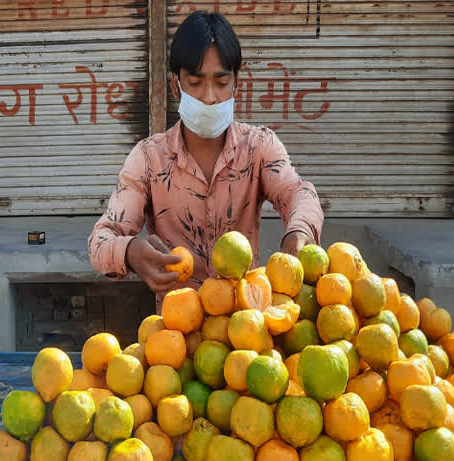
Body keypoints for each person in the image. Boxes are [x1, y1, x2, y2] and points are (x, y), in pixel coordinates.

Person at [88, 11, 324, 310]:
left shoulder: (259, 146)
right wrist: (130, 251)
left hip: (247, 329)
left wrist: (299, 230)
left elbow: (298, 192)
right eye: (196, 83)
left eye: (221, 81)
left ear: (237, 83)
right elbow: (101, 240)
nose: (209, 97)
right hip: (176, 337)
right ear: (176, 86)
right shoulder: (148, 159)